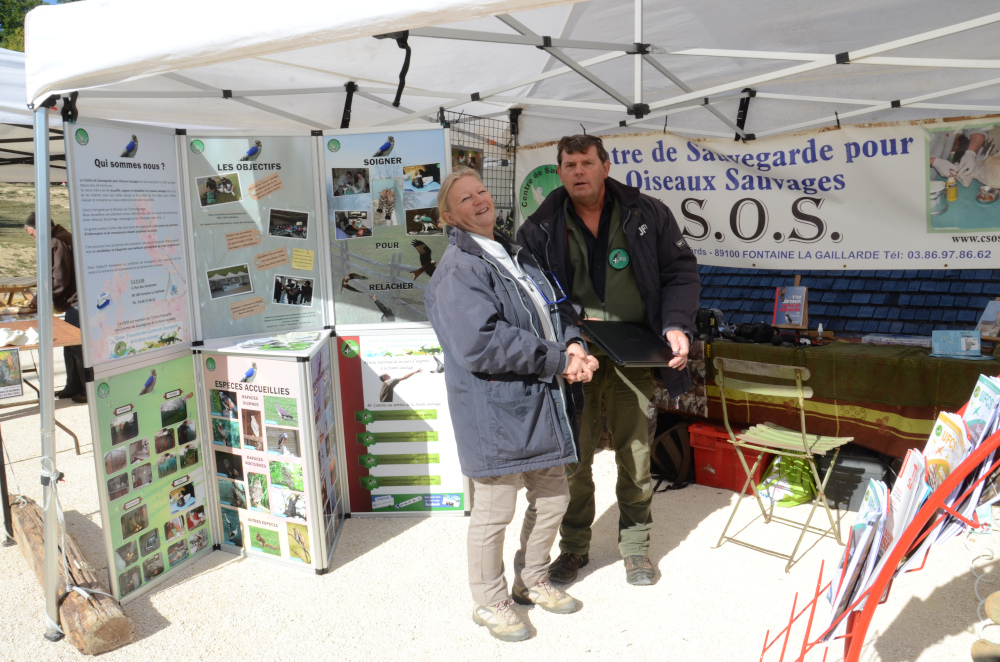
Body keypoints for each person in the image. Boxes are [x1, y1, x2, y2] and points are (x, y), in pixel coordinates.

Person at [517, 134, 701, 587]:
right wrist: (568, 342)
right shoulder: (538, 228)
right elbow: (537, 297)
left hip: (634, 353)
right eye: (569, 164)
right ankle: (575, 547)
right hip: (575, 354)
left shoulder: (647, 213)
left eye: (586, 162)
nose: (578, 171)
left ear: (606, 165)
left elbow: (680, 272)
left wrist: (676, 324)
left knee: (636, 455)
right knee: (573, 460)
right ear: (558, 172)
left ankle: (636, 546)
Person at [426, 167, 599, 643]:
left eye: (481, 190)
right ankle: (490, 600)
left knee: (553, 498)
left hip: (540, 401)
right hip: (495, 411)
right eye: (465, 198)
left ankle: (532, 578)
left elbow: (556, 308)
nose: (479, 199)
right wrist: (558, 360)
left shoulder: (515, 253)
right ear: (449, 216)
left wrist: (574, 344)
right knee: (494, 512)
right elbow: (482, 344)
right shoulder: (458, 270)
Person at [25, 213, 87, 403]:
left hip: (76, 303)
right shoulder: (60, 238)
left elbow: (59, 280)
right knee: (69, 349)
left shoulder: (58, 242)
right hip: (72, 302)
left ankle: (86, 389)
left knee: (78, 349)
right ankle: (72, 386)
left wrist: (40, 297)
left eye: (32, 234)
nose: (33, 238)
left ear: (40, 229)